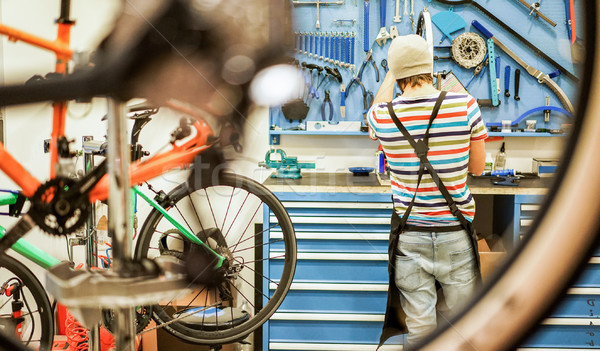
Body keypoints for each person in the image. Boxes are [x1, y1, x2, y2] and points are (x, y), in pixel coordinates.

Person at [367, 34, 487, 348]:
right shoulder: (465, 105)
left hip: (410, 239)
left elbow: (372, 123)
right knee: (464, 330)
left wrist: (391, 73)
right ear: (431, 66)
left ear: (396, 72)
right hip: (455, 235)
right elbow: (477, 168)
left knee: (420, 333)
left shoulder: (384, 116)